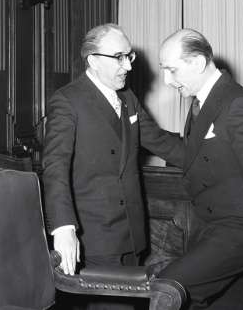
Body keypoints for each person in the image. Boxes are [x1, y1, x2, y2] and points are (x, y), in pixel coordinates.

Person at [144, 28, 243, 309]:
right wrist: (136, 123)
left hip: (241, 230)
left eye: (172, 70)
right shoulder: (203, 101)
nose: (167, 80)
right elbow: (191, 154)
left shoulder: (237, 104)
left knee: (167, 289)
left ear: (197, 63)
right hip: (211, 228)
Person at [42, 23, 171, 309]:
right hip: (96, 238)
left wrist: (212, 151)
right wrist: (63, 228)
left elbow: (160, 141)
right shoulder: (68, 100)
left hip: (132, 233)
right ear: (93, 60)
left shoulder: (128, 98)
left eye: (130, 56)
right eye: (119, 57)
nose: (128, 66)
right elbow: (54, 167)